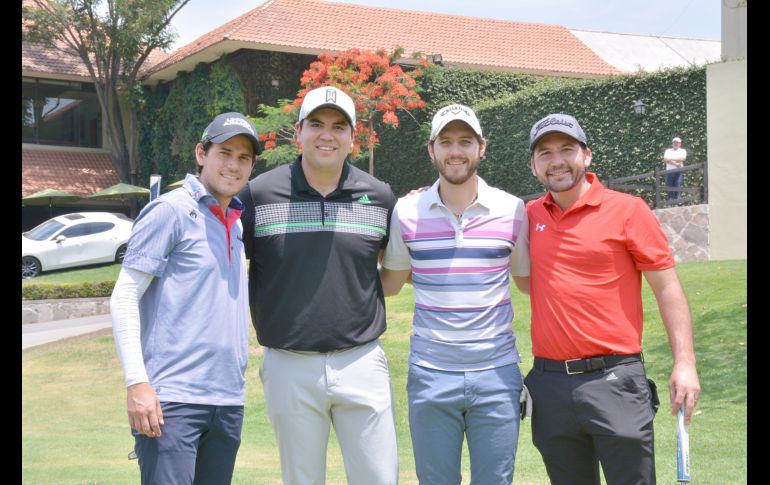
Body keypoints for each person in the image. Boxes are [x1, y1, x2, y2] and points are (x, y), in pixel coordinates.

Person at [523, 113, 701, 485]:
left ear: (586, 156)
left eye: (567, 149)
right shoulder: (527, 217)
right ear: (534, 166)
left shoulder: (628, 209)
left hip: (615, 379)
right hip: (550, 385)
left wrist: (685, 363)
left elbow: (667, 288)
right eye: (545, 153)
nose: (557, 160)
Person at [237, 86, 399, 485]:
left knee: (379, 478)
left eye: (338, 126)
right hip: (289, 364)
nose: (327, 135)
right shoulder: (258, 194)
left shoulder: (379, 197)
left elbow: (390, 275)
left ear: (352, 138)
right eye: (317, 124)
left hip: (361, 360)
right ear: (299, 132)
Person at [380, 104, 530, 484]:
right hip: (430, 375)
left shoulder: (513, 210)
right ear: (431, 150)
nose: (455, 150)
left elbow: (527, 281)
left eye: (465, 141)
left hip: (497, 375)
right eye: (446, 141)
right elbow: (392, 283)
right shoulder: (406, 211)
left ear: (482, 147)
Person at [110, 112, 260, 484]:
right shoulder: (171, 210)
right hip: (172, 401)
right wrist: (137, 383)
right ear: (200, 153)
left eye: (244, 158)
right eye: (225, 152)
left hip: (226, 401)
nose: (234, 165)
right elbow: (125, 296)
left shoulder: (237, 221)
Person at [663, 136, 687, 201]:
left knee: (678, 184)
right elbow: (665, 159)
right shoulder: (668, 151)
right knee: (669, 186)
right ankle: (669, 202)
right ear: (672, 143)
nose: (676, 144)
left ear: (680, 144)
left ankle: (677, 202)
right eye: (674, 142)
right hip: (669, 171)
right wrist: (676, 164)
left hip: (679, 171)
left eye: (677, 142)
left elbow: (682, 159)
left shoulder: (683, 151)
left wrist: (670, 159)